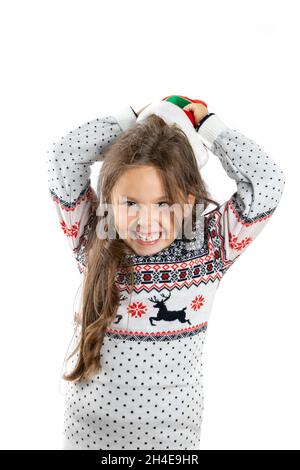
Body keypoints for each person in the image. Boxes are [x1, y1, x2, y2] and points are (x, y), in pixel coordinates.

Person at [46, 97, 286, 450]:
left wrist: (209, 127)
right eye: (130, 204)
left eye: (163, 203)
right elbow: (63, 156)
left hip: (172, 439)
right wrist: (131, 121)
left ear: (189, 201)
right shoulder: (94, 236)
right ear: (109, 201)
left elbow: (267, 182)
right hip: (89, 433)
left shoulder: (209, 246)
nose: (146, 222)